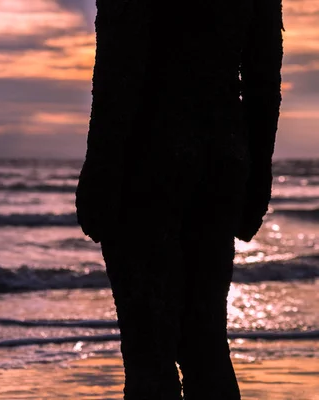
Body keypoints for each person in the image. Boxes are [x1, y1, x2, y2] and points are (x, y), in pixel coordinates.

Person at [75, 0, 283, 399]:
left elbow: (121, 65)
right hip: (223, 157)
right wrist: (257, 180)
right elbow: (264, 73)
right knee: (205, 343)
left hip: (148, 159)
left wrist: (100, 171)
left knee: (149, 351)